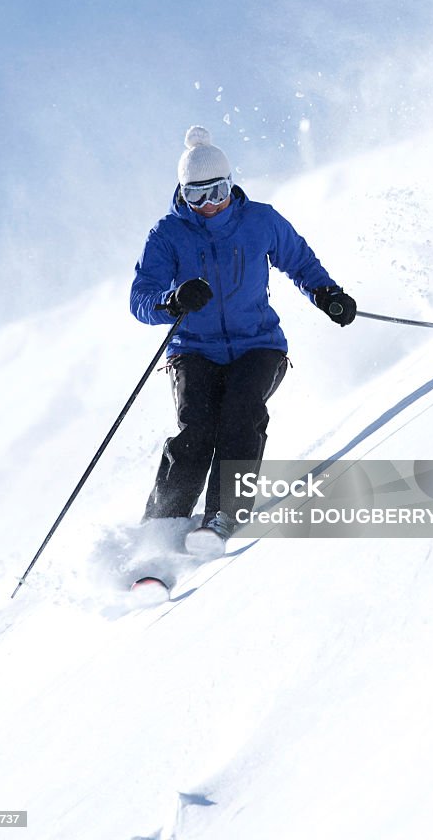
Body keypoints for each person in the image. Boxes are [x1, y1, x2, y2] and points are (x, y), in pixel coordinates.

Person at [130, 125, 356, 554]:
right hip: (193, 351)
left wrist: (327, 295)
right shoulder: (167, 235)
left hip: (259, 345)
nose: (211, 204)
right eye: (198, 196)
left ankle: (225, 512)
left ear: (232, 185)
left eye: (219, 191)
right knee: (196, 429)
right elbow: (140, 300)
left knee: (241, 413)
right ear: (183, 195)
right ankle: (160, 529)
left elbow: (300, 261)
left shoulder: (260, 220)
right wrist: (173, 300)